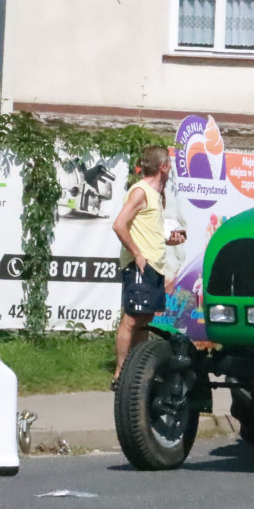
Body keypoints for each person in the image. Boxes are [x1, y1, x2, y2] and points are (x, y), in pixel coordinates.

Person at [111, 145, 186, 389]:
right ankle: (120, 373)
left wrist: (168, 239)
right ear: (163, 167)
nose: (172, 167)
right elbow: (119, 224)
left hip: (154, 264)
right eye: (170, 163)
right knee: (132, 319)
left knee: (144, 318)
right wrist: (138, 255)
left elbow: (146, 230)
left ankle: (138, 371)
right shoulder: (141, 191)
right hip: (140, 265)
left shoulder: (155, 195)